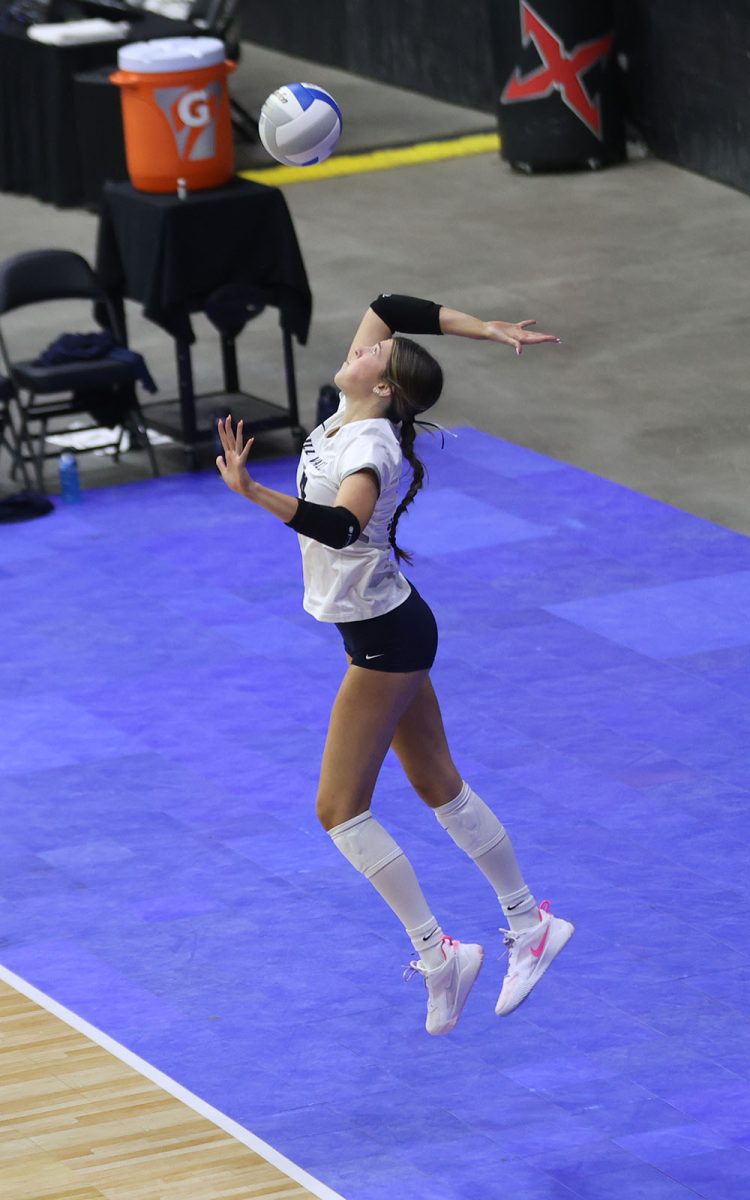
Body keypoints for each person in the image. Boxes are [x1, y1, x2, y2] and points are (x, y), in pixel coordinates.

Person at [216, 293, 574, 1036]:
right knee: (437, 783)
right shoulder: (358, 406)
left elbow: (344, 525)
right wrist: (487, 328)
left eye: (373, 352)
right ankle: (528, 924)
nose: (362, 344)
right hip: (389, 626)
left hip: (386, 638)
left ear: (383, 387)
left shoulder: (369, 446)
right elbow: (389, 303)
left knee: (338, 809)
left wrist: (256, 493)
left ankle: (438, 953)